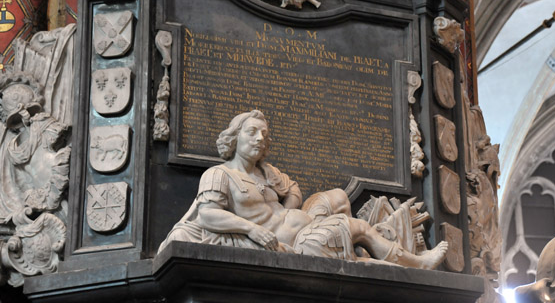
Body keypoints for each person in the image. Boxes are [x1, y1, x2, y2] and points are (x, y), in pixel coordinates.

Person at [159, 110, 447, 269]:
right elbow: (208, 215)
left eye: (264, 134)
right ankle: (417, 263)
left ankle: (370, 255)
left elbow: (293, 188)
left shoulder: (266, 172)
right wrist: (252, 230)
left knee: (337, 196)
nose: (260, 138)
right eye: (252, 132)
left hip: (302, 222)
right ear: (235, 138)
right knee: (358, 227)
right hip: (297, 240)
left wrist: (289, 208)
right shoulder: (219, 174)